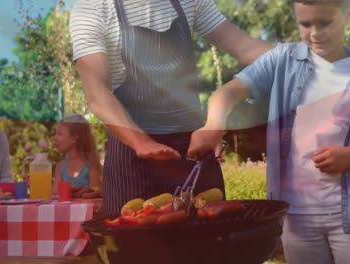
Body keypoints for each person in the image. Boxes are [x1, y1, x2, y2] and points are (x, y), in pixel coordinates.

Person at [189, 0, 350, 263]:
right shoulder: (283, 59)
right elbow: (226, 94)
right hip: (296, 216)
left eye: (326, 23)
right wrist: (214, 125)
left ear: (348, 14)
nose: (315, 32)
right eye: (305, 23)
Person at [70, 0, 273, 215]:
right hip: (132, 158)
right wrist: (141, 142)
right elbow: (97, 93)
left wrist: (301, 54)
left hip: (194, 153)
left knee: (208, 244)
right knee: (134, 245)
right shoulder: (91, 8)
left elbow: (247, 48)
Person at [52, 114, 102, 199]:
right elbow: (55, 195)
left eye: (59, 134)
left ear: (74, 138)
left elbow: (96, 196)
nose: (54, 138)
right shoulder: (60, 167)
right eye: (55, 133)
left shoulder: (91, 166)